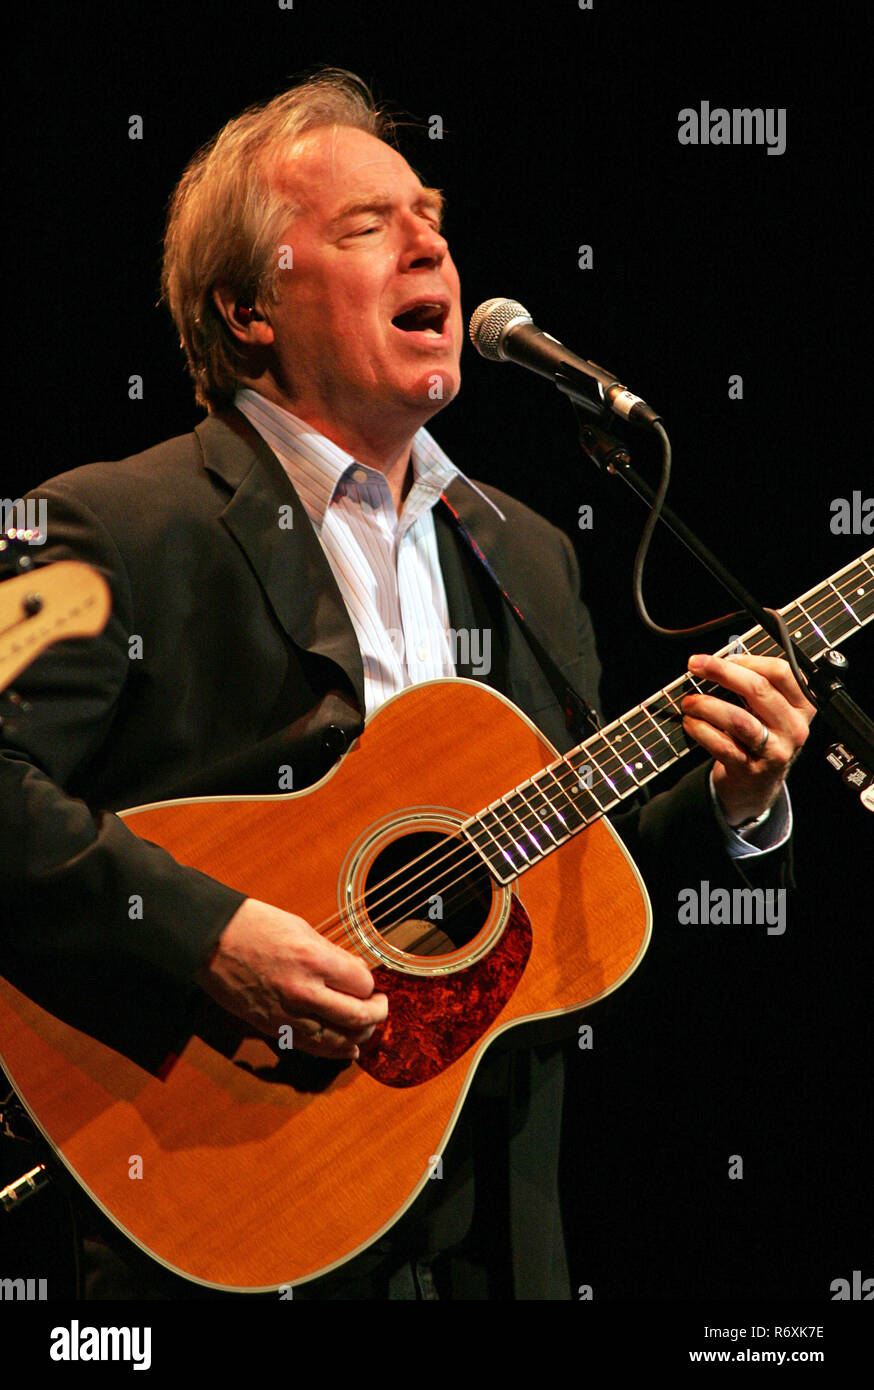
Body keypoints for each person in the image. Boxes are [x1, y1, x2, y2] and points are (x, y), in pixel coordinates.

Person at [0, 69, 814, 1299]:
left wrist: (734, 793)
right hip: (232, 1174)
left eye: (430, 213)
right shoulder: (112, 523)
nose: (430, 239)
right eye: (367, 226)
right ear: (247, 307)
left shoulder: (526, 550)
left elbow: (573, 862)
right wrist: (207, 933)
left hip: (495, 1220)